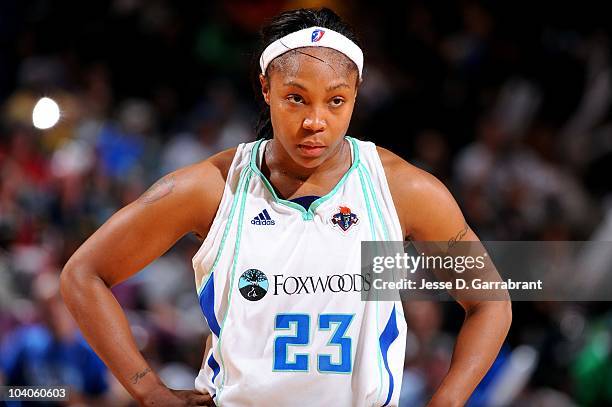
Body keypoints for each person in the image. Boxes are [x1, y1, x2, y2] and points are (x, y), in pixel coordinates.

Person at [60, 7, 511, 407]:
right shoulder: (211, 188)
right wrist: (149, 391)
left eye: (336, 101)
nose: (315, 121)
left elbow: (491, 303)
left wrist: (448, 400)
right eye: (296, 98)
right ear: (266, 89)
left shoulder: (403, 189)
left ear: (356, 94)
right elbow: (83, 274)